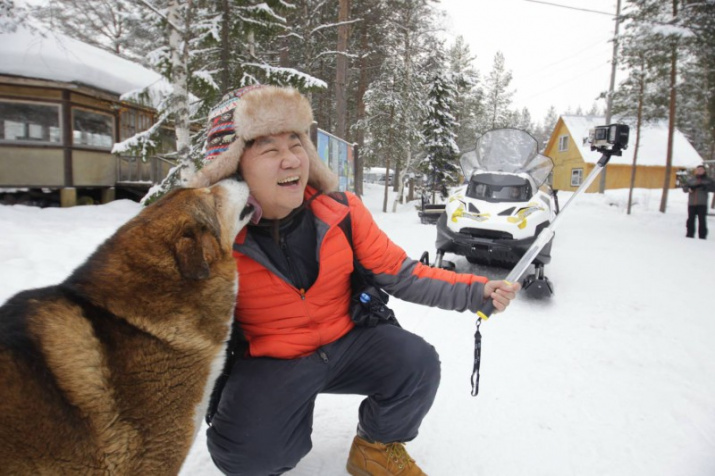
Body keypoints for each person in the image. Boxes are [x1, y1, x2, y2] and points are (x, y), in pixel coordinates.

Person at [189, 85, 520, 476]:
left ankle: (374, 449)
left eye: (296, 144)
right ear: (233, 166)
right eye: (269, 149)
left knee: (417, 363)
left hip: (348, 342)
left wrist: (475, 290)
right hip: (271, 362)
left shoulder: (340, 212)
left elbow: (402, 273)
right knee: (248, 455)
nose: (291, 160)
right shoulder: (211, 241)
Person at [683, 165, 713, 239]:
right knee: (690, 219)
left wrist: (706, 188)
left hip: (702, 203)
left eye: (701, 169)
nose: (699, 171)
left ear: (704, 171)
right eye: (698, 169)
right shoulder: (691, 180)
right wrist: (689, 189)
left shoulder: (708, 180)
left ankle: (702, 236)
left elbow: (713, 187)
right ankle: (690, 234)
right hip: (692, 203)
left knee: (702, 220)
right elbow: (684, 188)